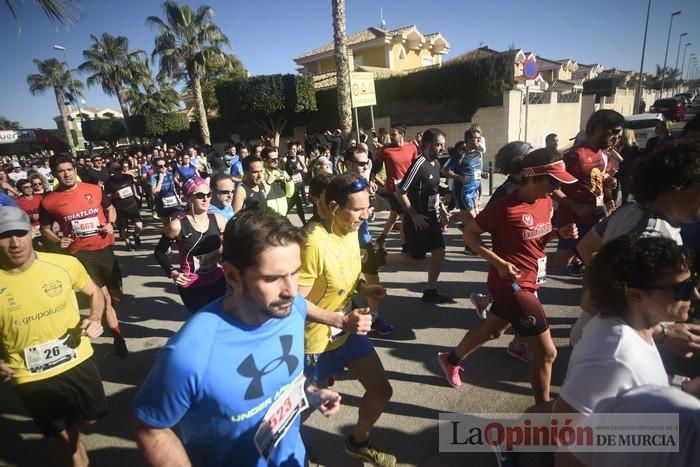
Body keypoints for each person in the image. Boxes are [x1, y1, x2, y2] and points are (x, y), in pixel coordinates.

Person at [133, 209, 342, 466]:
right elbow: (150, 426)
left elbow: (285, 379)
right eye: (272, 278)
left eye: (295, 273)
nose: (291, 290)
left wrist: (311, 394)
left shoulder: (292, 308)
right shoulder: (189, 354)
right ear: (232, 275)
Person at [437, 148, 578, 406]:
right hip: (511, 284)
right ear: (533, 176)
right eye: (554, 181)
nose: (558, 187)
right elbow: (470, 234)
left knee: (492, 332)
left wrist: (559, 232)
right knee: (547, 354)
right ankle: (542, 414)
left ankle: (451, 359)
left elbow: (537, 234)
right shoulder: (504, 206)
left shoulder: (546, 201)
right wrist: (499, 263)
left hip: (532, 277)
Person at [553, 236, 699, 465]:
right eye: (683, 289)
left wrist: (683, 389)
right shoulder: (614, 356)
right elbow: (566, 443)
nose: (695, 295)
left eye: (694, 282)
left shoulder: (632, 328)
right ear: (635, 295)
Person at [300, 173, 395, 466]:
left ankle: (359, 441)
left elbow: (347, 277)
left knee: (381, 390)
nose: (366, 214)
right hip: (313, 343)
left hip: (347, 333)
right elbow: (291, 302)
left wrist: (365, 288)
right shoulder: (313, 242)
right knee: (295, 411)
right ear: (332, 207)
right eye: (357, 209)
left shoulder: (351, 229)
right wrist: (340, 321)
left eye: (367, 206)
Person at [0, 206, 107, 467]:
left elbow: (95, 293)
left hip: (77, 359)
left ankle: (72, 421)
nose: (15, 243)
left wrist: (94, 318)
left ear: (31, 232)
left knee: (93, 419)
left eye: (20, 233)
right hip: (29, 373)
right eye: (5, 236)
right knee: (65, 441)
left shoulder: (63, 263)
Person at [571, 140, 700, 354]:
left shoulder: (633, 210)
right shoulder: (649, 235)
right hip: (614, 349)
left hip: (607, 341)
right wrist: (665, 334)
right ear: (675, 186)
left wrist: (602, 275)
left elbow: (586, 246)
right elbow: (593, 301)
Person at [39, 155, 128, 358]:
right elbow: (44, 228)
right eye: (61, 171)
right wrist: (56, 239)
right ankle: (118, 337)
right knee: (103, 297)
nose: (66, 174)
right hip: (81, 254)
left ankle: (111, 311)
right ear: (54, 174)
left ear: (75, 170)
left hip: (104, 249)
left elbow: (110, 209)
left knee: (116, 296)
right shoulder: (49, 201)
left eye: (69, 169)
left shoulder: (93, 190)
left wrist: (109, 224)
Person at [550, 109, 625, 275]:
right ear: (599, 129)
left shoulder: (601, 152)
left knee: (591, 263)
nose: (617, 139)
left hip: (596, 216)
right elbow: (551, 188)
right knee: (565, 262)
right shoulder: (575, 156)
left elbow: (595, 179)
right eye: (615, 133)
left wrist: (607, 186)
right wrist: (576, 206)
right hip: (574, 221)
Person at [396, 128, 453, 304]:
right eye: (438, 145)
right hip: (418, 221)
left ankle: (430, 290)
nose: (442, 148)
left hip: (432, 217)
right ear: (427, 145)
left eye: (443, 144)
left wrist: (441, 206)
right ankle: (376, 258)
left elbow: (433, 191)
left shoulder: (436, 164)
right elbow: (400, 191)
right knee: (414, 260)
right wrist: (413, 215)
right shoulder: (419, 164)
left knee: (439, 252)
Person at [154, 177, 227, 313]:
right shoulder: (177, 225)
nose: (205, 199)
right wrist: (173, 273)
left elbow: (228, 247)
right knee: (202, 322)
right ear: (188, 198)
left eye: (208, 194)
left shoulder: (218, 219)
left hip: (218, 280)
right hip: (192, 285)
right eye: (200, 196)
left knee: (220, 320)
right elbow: (159, 251)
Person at [343, 147, 393, 335]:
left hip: (363, 240)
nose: (366, 166)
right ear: (348, 164)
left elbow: (378, 207)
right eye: (361, 163)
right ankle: (344, 319)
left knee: (373, 280)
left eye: (367, 163)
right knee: (345, 280)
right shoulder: (340, 185)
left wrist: (375, 196)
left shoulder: (365, 182)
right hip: (344, 241)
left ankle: (374, 317)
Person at [441, 128, 487, 254]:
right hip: (463, 192)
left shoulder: (478, 153)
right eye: (475, 138)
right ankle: (477, 246)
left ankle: (469, 247)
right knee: (474, 220)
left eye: (479, 138)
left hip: (475, 190)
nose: (478, 140)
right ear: (467, 139)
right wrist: (459, 177)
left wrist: (482, 174)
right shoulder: (459, 155)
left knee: (467, 220)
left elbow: (475, 170)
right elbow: (444, 170)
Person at [375, 125, 418, 251]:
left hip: (407, 188)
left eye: (394, 134)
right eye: (391, 134)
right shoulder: (385, 150)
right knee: (404, 216)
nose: (391, 137)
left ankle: (381, 239)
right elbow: (376, 166)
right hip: (392, 189)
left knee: (394, 216)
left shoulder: (411, 147)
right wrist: (374, 179)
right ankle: (406, 247)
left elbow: (415, 167)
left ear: (402, 134)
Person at [104, 162, 143, 250]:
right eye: (115, 170)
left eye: (119, 169)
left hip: (132, 205)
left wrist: (136, 194)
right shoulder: (109, 182)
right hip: (120, 208)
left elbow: (132, 184)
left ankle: (136, 235)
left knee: (139, 225)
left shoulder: (128, 177)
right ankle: (128, 243)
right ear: (112, 171)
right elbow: (107, 196)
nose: (118, 171)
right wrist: (115, 195)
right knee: (124, 228)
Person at [261, 147, 294, 216]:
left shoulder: (280, 172)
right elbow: (260, 196)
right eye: (273, 159)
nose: (276, 161)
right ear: (264, 160)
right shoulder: (260, 174)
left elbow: (289, 194)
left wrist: (289, 180)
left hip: (282, 215)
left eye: (277, 159)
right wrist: (268, 183)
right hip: (269, 217)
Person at [150, 157, 181, 225]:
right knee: (167, 226)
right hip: (162, 203)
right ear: (156, 167)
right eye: (160, 166)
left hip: (174, 202)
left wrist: (178, 198)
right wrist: (160, 179)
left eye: (165, 165)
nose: (163, 167)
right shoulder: (154, 177)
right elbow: (155, 193)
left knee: (177, 223)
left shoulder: (170, 174)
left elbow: (173, 188)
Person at [14, 178, 44, 242]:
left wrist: (41, 215)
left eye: (31, 186)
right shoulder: (17, 202)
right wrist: (30, 217)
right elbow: (17, 218)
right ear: (20, 189)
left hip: (43, 226)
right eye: (26, 187)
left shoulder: (40, 198)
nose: (29, 189)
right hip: (29, 229)